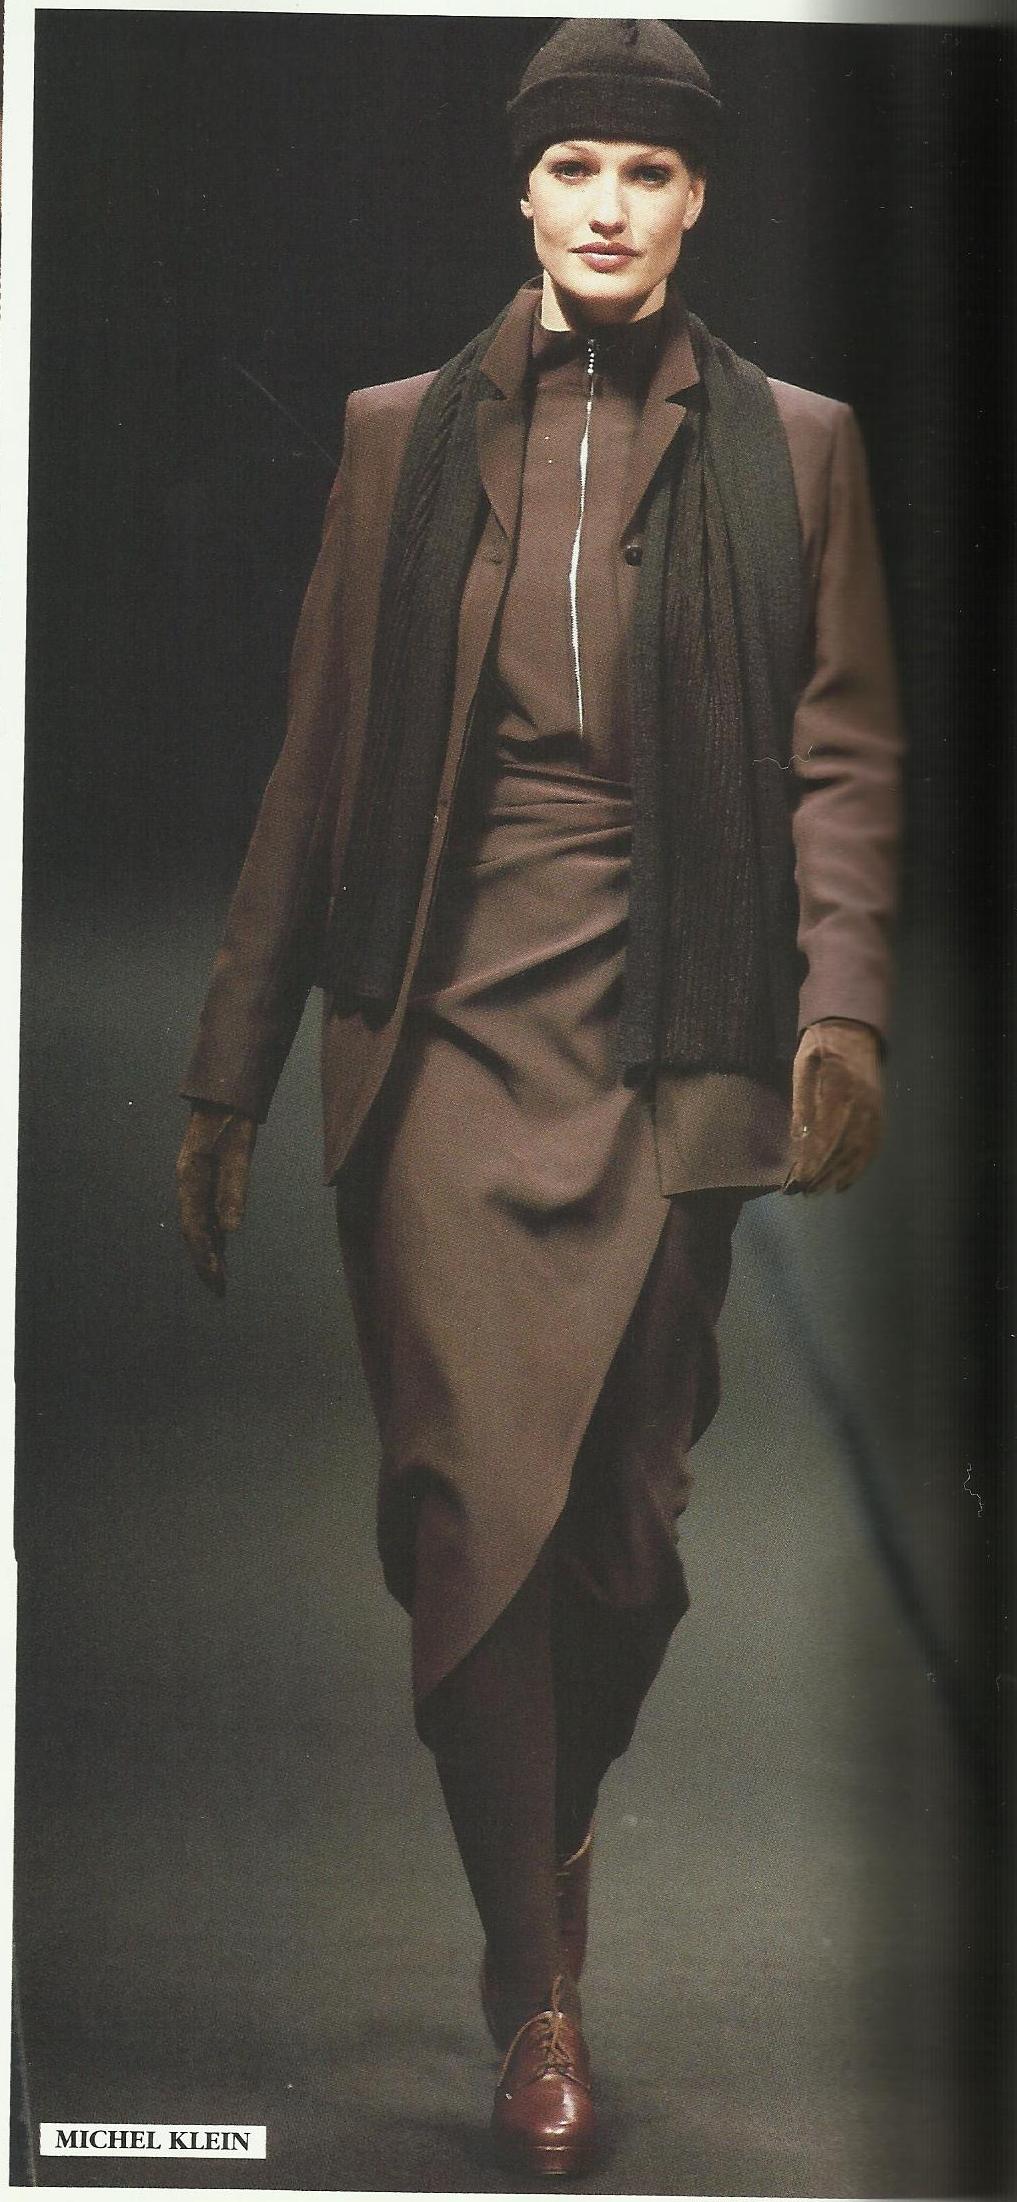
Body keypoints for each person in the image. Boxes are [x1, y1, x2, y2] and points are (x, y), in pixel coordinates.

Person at [176, 19, 902, 2178]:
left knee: (624, 1532)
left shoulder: (799, 448)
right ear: (520, 190)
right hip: (438, 1019)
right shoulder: (399, 436)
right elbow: (315, 766)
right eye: (572, 163)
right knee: (459, 1504)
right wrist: (229, 1074)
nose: (605, 203)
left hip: (678, 1019)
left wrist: (842, 1009)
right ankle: (536, 1991)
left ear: (696, 203)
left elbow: (841, 753)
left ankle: (551, 1842)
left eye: (645, 171)